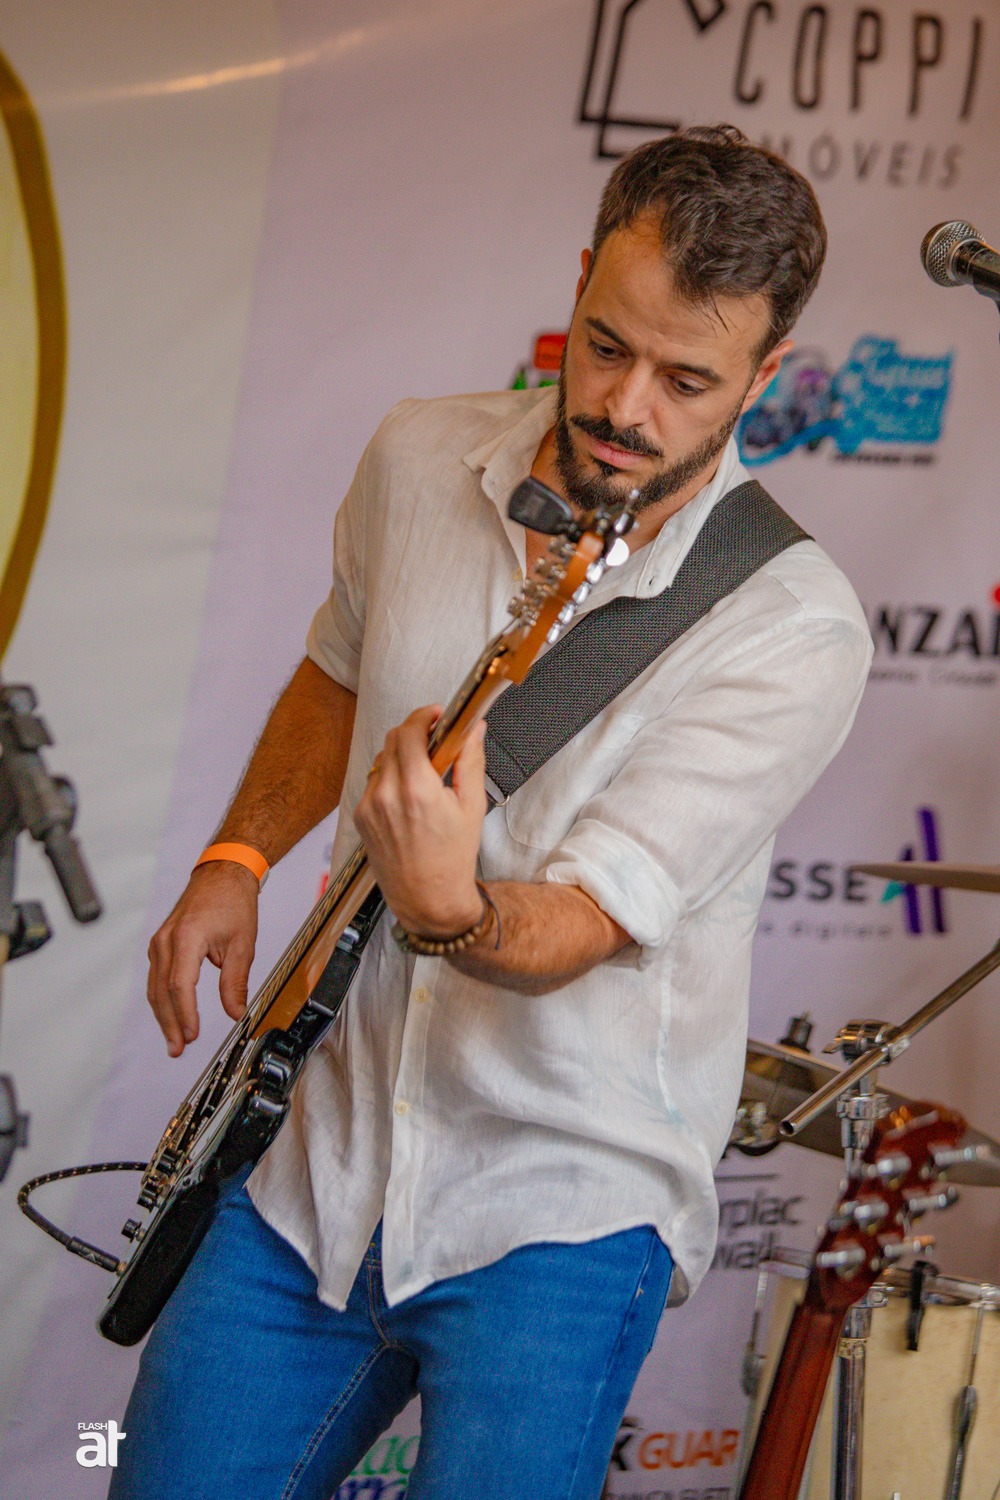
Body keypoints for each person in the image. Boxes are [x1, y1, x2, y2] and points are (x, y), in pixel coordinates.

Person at [113, 126, 872, 1500]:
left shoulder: (796, 625)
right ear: (579, 282)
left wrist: (447, 908)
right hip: (315, 1160)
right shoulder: (417, 453)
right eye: (606, 345)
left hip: (565, 1209)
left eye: (687, 381)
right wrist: (237, 856)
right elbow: (337, 670)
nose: (625, 406)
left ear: (764, 380)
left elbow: (584, 922)